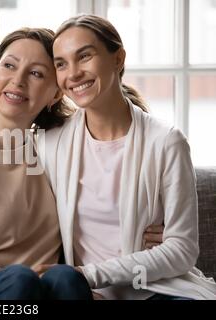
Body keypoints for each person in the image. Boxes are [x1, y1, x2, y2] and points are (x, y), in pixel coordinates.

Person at [0, 27, 163, 300]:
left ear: (56, 93)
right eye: (9, 65)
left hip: (46, 292)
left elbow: (105, 207)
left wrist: (153, 228)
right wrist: (39, 290)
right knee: (19, 280)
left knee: (64, 279)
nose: (18, 80)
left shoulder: (55, 151)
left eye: (36, 73)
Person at [39, 14, 216, 299]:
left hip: (158, 289)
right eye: (61, 64)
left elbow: (182, 251)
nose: (72, 73)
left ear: (118, 59)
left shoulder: (167, 142)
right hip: (80, 292)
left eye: (84, 56)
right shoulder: (50, 144)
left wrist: (90, 275)